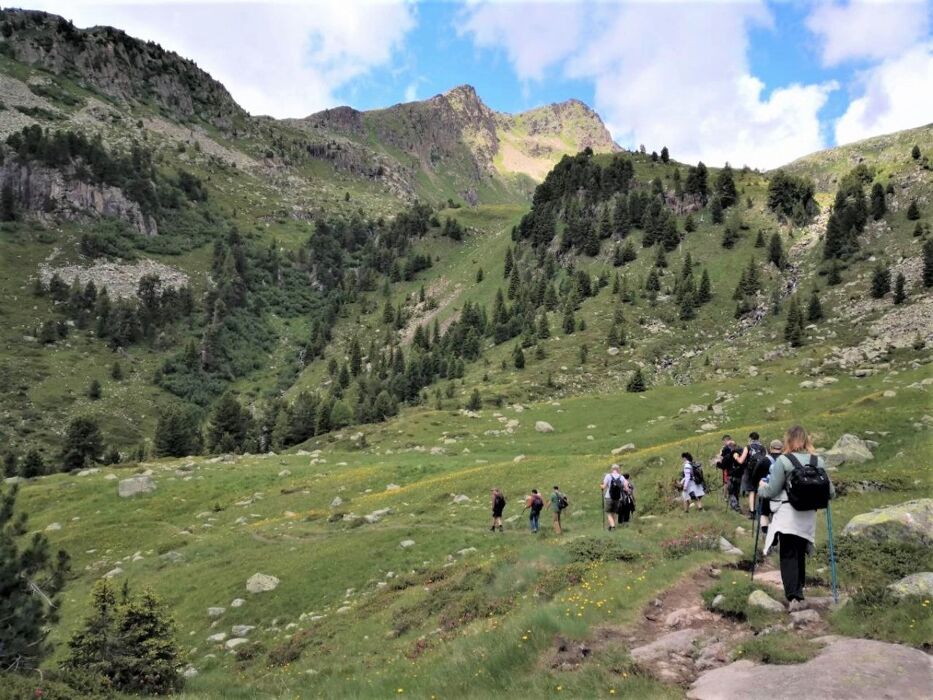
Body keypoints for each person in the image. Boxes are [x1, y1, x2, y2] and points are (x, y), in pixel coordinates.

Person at [758, 425, 835, 607]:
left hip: (788, 514)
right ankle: (799, 591)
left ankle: (794, 597)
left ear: (788, 440)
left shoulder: (784, 461)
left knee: (788, 554)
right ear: (806, 440)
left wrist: (761, 489)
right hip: (808, 516)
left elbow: (772, 490)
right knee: (799, 553)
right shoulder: (818, 461)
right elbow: (831, 492)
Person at [736, 432, 768, 519]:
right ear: (758, 438)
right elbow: (767, 459)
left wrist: (736, 457)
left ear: (750, 438)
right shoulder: (763, 448)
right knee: (760, 490)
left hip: (750, 472)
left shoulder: (748, 447)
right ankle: (761, 511)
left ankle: (752, 512)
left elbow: (741, 461)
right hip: (761, 471)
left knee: (752, 491)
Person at [718, 435, 742, 513]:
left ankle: (735, 507)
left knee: (731, 491)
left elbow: (722, 466)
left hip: (731, 475)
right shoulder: (740, 453)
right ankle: (737, 505)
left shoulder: (728, 456)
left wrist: (717, 463)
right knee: (736, 491)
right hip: (739, 474)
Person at [600, 464, 628, 531]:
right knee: (614, 512)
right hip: (617, 498)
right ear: (618, 469)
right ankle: (611, 526)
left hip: (609, 497)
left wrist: (601, 486)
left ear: (612, 469)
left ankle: (613, 526)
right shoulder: (621, 477)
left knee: (609, 513)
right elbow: (626, 487)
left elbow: (604, 486)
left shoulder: (608, 476)